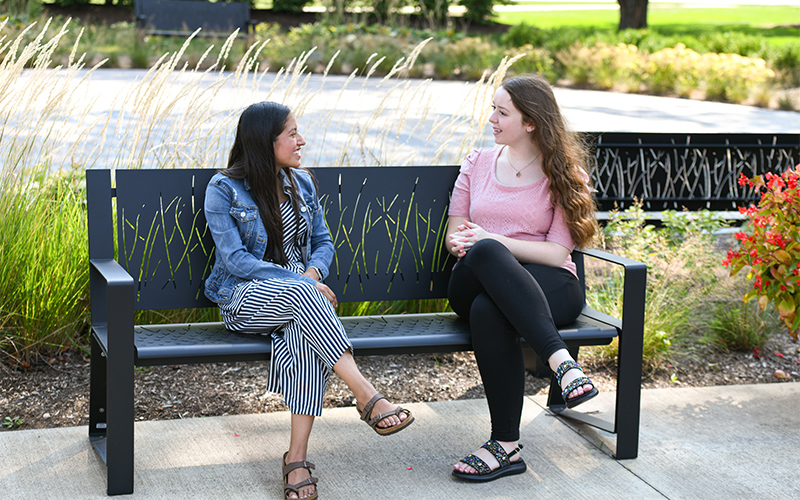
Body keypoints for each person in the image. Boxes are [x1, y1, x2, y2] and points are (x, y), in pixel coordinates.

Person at [203, 101, 414, 500]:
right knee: (303, 296)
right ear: (265, 142)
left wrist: (313, 274)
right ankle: (367, 394)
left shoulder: (301, 183)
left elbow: (322, 241)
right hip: (243, 298)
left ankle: (296, 459)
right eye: (292, 134)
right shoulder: (224, 188)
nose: (302, 141)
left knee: (302, 336)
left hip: (302, 301)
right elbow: (236, 261)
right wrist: (301, 281)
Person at [445, 75, 599, 482]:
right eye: (492, 109)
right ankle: (561, 361)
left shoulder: (564, 173)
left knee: (489, 309)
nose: (491, 119)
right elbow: (454, 235)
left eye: (501, 112)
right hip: (474, 275)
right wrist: (482, 243)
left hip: (550, 286)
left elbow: (557, 253)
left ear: (530, 121)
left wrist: (494, 239)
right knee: (487, 252)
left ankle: (505, 447)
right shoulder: (477, 163)